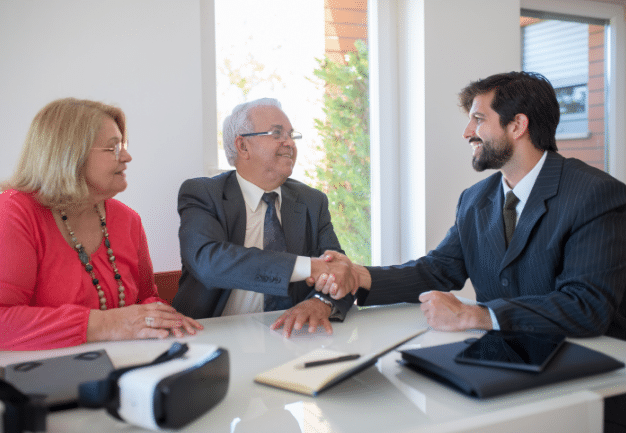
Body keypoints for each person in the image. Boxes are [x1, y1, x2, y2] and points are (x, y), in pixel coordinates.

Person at [316, 71, 626, 340]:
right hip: (503, 357)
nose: (467, 133)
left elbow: (586, 306)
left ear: (517, 125)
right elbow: (437, 270)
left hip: (586, 368)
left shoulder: (595, 195)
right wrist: (358, 276)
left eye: (478, 120)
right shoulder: (475, 199)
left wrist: (474, 315)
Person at [0, 98, 203, 350]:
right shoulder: (12, 213)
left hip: (124, 366)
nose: (127, 157)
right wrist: (107, 324)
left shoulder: (127, 219)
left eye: (123, 145)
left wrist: (161, 317)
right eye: (113, 148)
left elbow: (145, 297)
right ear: (69, 154)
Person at [173, 98, 355, 337]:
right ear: (243, 146)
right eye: (277, 133)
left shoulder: (312, 201)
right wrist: (307, 267)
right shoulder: (204, 194)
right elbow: (209, 262)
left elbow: (340, 272)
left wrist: (321, 302)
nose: (289, 143)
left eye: (291, 135)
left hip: (291, 337)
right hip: (209, 336)